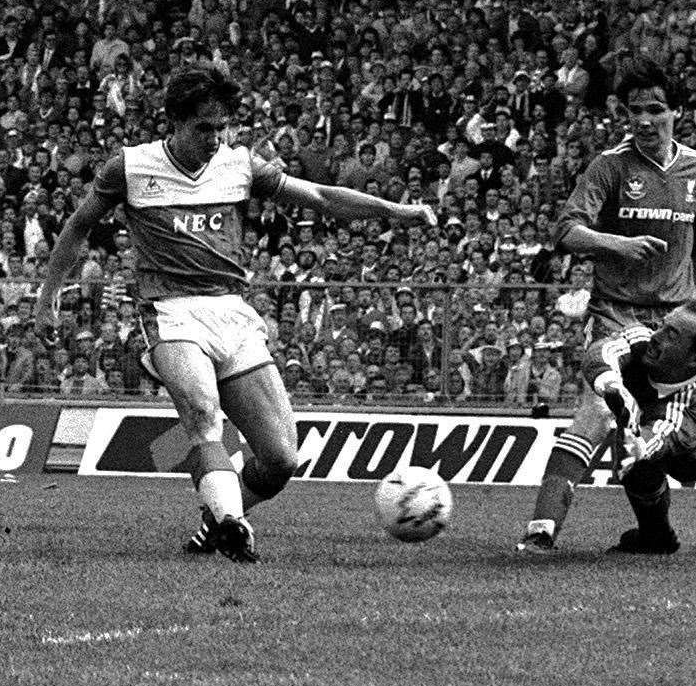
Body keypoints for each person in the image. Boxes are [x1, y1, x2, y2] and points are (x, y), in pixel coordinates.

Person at [34, 68, 436, 563]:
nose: (216, 138)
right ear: (175, 122)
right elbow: (77, 225)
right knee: (203, 416)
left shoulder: (240, 164)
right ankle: (230, 524)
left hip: (232, 311)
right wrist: (49, 292)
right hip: (170, 311)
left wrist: (396, 211)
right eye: (205, 128)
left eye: (223, 126)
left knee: (282, 459)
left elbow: (321, 197)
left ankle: (219, 520)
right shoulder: (131, 167)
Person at [518, 56, 696, 553]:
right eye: (635, 111)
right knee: (597, 410)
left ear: (677, 111)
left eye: (655, 109)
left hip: (677, 323)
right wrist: (617, 244)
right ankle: (543, 528)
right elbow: (565, 231)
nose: (645, 120)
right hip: (616, 312)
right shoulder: (609, 165)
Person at [581, 299, 696, 556]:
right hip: (659, 425)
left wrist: (637, 444)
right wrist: (609, 384)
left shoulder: (689, 412)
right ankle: (655, 535)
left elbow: (659, 435)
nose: (657, 335)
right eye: (663, 325)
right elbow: (602, 350)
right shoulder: (642, 338)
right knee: (635, 466)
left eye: (672, 334)